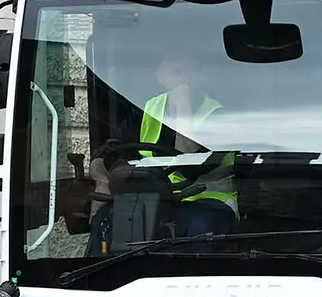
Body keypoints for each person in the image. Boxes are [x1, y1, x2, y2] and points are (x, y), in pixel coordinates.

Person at [88, 48, 240, 251]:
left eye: (189, 71)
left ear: (201, 75)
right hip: (152, 200)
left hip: (206, 202)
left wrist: (183, 108)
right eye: (175, 72)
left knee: (201, 228)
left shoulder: (220, 115)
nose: (182, 79)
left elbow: (189, 165)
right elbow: (108, 153)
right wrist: (103, 180)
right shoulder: (147, 108)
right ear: (161, 76)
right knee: (105, 220)